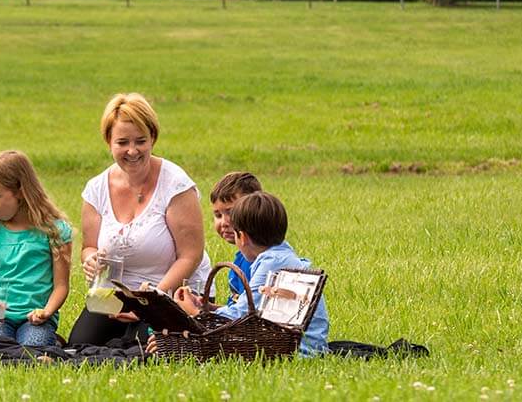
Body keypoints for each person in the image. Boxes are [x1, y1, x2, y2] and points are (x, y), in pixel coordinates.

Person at [69, 93, 210, 346]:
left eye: (140, 141)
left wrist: (150, 300)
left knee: (141, 349)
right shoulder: (96, 188)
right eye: (122, 142)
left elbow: (191, 255)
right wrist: (90, 260)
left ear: (153, 138)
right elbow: (88, 247)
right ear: (109, 142)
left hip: (166, 293)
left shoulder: (176, 185)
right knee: (80, 345)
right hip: (114, 294)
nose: (132, 151)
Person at [165, 191, 330, 356]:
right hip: (305, 346)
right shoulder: (281, 256)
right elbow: (256, 311)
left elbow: (241, 315)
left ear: (242, 237)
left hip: (299, 351)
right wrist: (210, 309)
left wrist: (196, 313)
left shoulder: (271, 264)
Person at [0, 150, 73, 346]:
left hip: (35, 319)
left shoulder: (55, 231)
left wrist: (46, 312)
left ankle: (49, 340)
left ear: (20, 192)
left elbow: (61, 286)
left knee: (32, 350)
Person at [209, 171, 263, 305]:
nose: (224, 222)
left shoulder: (262, 261)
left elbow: (248, 314)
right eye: (218, 215)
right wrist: (209, 308)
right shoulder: (242, 257)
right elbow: (237, 309)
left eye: (231, 213)